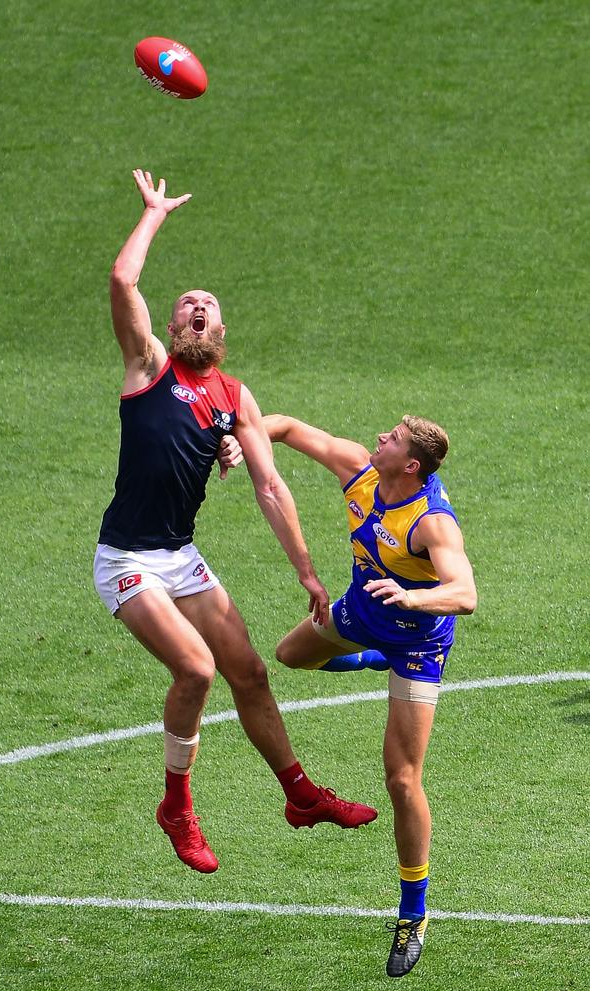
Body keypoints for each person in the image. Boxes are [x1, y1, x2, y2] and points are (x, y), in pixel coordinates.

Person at [93, 170, 377, 876]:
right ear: (169, 327)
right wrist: (154, 214)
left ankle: (300, 795)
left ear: (221, 331)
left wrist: (306, 571)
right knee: (195, 669)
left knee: (249, 672)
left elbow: (271, 485)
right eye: (185, 302)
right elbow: (124, 283)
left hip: (180, 556)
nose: (195, 305)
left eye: (207, 305)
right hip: (126, 557)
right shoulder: (147, 367)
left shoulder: (233, 399)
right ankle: (177, 808)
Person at [262, 411, 477, 977]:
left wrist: (411, 600)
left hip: (416, 643)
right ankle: (375, 658)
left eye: (394, 439)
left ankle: (413, 912)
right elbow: (283, 428)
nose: (379, 437)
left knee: (402, 779)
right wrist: (236, 443)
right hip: (359, 615)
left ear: (411, 465)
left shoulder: (431, 523)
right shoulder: (359, 471)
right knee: (289, 655)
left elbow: (465, 593)